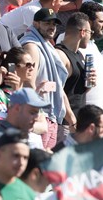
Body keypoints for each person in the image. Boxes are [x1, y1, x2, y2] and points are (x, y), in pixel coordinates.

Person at [20, 8, 71, 150]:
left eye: (54, 24)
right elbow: (28, 81)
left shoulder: (47, 45)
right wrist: (36, 110)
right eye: (47, 23)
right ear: (36, 24)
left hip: (49, 114)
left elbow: (54, 85)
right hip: (40, 114)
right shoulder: (31, 46)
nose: (52, 27)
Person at [0, 88, 48, 161]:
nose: (36, 118)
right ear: (17, 108)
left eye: (37, 113)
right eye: (32, 112)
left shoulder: (20, 136)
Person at [53, 12, 93, 128]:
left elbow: (76, 91)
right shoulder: (60, 54)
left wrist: (88, 84)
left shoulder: (79, 54)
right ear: (83, 32)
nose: (90, 37)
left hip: (76, 122)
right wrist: (71, 119)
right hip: (64, 123)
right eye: (90, 32)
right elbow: (57, 90)